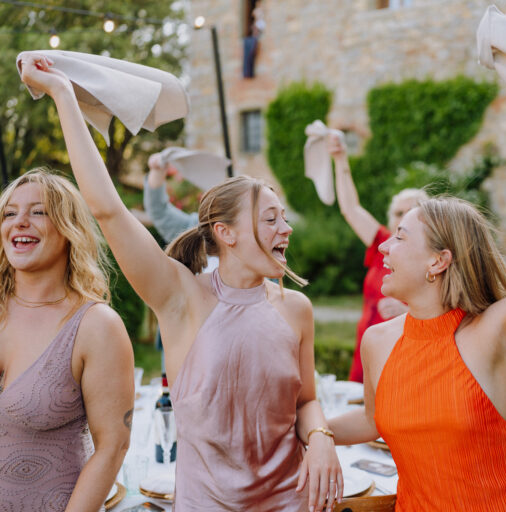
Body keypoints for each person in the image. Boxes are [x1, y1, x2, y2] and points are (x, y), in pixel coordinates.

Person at [19, 53, 342, 512]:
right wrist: (63, 94)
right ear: (226, 233)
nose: (286, 229)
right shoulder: (181, 297)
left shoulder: (296, 309)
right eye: (271, 219)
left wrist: (321, 436)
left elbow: (306, 401)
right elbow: (107, 208)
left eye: (284, 218)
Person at [329, 123, 506, 510]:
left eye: (400, 236)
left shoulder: (496, 329)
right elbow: (372, 421)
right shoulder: (377, 341)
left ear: (438, 261)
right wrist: (309, 431)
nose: (383, 247)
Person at [0, 169, 134, 511]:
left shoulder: (96, 326)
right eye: (10, 213)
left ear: (68, 229)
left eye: (38, 212)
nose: (20, 222)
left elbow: (113, 447)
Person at [328, 133, 427, 383]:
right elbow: (350, 209)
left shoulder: (432, 256)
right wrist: (340, 159)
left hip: (404, 349)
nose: (403, 217)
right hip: (367, 343)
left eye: (411, 211)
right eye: (398, 213)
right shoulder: (382, 244)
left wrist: (407, 311)